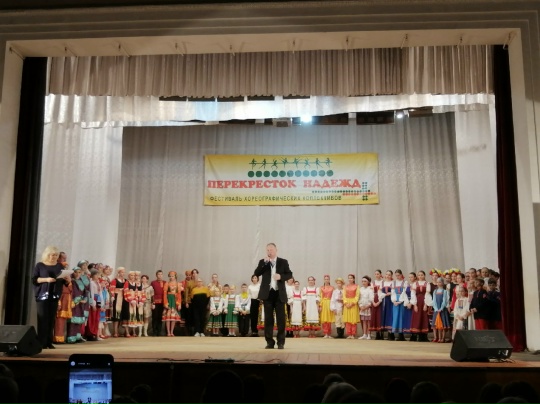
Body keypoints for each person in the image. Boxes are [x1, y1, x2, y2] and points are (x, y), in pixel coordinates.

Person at [254, 242, 293, 349]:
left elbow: (289, 274)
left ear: (276, 250)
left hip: (279, 293)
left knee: (281, 319)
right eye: (267, 250)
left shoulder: (283, 262)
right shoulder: (263, 261)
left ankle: (281, 342)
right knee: (268, 319)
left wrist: (281, 276)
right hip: (267, 294)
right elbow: (257, 273)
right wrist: (264, 263)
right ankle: (269, 342)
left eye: (271, 250)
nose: (269, 252)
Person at [32, 246, 68, 349]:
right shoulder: (40, 265)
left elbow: (64, 282)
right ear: (47, 255)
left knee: (51, 319)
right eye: (52, 255)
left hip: (55, 295)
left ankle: (48, 341)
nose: (54, 257)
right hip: (42, 295)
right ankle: (41, 342)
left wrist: (68, 280)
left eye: (56, 255)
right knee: (43, 318)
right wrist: (46, 280)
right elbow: (34, 279)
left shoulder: (59, 266)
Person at [163, 271, 182, 337]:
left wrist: (179, 303)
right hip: (169, 300)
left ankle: (172, 332)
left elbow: (179, 294)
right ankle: (168, 332)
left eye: (172, 276)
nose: (171, 277)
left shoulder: (178, 284)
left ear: (175, 277)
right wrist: (165, 303)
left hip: (174, 300)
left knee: (173, 317)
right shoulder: (167, 284)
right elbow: (164, 294)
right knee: (168, 317)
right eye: (170, 276)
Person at [343, 274, 360, 339]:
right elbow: (344, 296)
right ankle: (349, 334)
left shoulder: (357, 286)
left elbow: (357, 296)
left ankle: (353, 334)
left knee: (353, 319)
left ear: (353, 279)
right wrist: (346, 303)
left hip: (353, 304)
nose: (350, 279)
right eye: (349, 278)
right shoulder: (345, 287)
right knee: (347, 319)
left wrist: (352, 303)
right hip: (347, 303)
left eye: (351, 278)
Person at [358, 276, 374, 340]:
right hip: (362, 307)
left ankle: (369, 334)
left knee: (368, 321)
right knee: (364, 321)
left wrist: (367, 306)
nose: (363, 283)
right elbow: (359, 298)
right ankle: (364, 334)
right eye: (362, 281)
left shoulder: (370, 289)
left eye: (365, 281)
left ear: (368, 282)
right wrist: (360, 305)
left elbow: (371, 299)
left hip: (368, 307)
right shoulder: (361, 289)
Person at [150, 270, 165, 336]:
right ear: (156, 275)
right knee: (155, 317)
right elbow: (151, 293)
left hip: (163, 303)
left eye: (161, 274)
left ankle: (159, 331)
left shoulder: (165, 282)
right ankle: (154, 331)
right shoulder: (153, 283)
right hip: (155, 302)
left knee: (160, 317)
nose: (160, 276)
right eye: (158, 274)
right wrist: (152, 302)